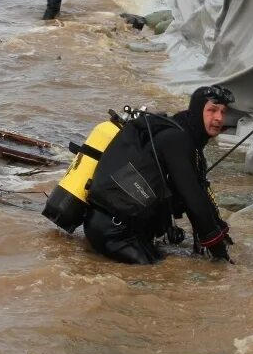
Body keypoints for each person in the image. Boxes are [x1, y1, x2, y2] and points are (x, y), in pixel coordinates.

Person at [83, 85, 235, 265]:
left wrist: (221, 233)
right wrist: (220, 256)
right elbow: (192, 198)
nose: (218, 118)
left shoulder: (187, 139)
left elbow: (200, 192)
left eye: (222, 112)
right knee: (156, 280)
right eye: (212, 110)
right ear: (196, 110)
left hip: (124, 230)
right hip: (113, 232)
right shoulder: (176, 139)